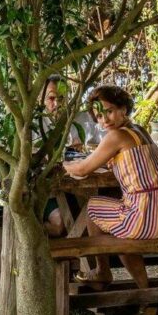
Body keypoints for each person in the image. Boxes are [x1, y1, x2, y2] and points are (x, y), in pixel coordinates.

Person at [63, 86, 158, 306]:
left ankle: (103, 271)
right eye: (99, 116)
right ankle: (143, 290)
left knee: (93, 208)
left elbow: (82, 170)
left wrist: (63, 164)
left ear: (123, 109)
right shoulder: (139, 130)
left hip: (147, 220)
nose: (105, 120)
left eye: (109, 111)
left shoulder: (116, 135)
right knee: (119, 221)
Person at [39, 75, 92, 236]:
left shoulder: (80, 119)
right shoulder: (35, 124)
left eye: (62, 98)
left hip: (80, 189)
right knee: (60, 224)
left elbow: (101, 141)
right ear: (41, 100)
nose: (57, 104)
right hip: (47, 192)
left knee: (92, 215)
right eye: (51, 98)